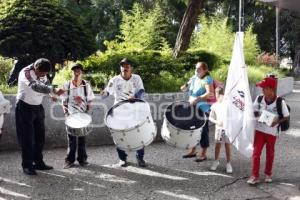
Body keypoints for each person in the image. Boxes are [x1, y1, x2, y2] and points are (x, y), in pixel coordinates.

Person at [15, 58, 65, 175]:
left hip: (38, 107)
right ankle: (27, 165)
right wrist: (53, 90)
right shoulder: (25, 72)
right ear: (35, 68)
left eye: (45, 73)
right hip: (24, 106)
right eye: (40, 73)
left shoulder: (44, 73)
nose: (42, 75)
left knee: (40, 137)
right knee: (26, 138)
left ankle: (38, 162)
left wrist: (51, 94)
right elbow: (35, 86)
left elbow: (45, 84)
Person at [100, 58, 146, 167]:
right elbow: (107, 92)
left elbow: (141, 91)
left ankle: (140, 158)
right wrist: (104, 94)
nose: (124, 68)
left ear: (131, 68)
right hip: (118, 111)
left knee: (138, 133)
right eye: (122, 66)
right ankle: (122, 158)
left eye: (127, 66)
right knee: (118, 135)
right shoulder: (114, 80)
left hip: (134, 109)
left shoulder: (136, 78)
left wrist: (135, 97)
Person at [247, 77, 289, 185]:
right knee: (256, 153)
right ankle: (255, 176)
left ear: (271, 89)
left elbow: (286, 116)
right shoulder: (259, 98)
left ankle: (268, 174)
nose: (262, 90)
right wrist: (259, 114)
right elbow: (253, 111)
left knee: (270, 153)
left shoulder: (280, 101)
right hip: (259, 130)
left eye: (264, 88)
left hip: (272, 132)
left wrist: (276, 122)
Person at [62, 63, 95, 169]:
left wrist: (88, 114)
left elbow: (90, 100)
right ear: (72, 73)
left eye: (78, 71)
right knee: (71, 140)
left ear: (82, 73)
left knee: (82, 139)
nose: (76, 73)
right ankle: (69, 160)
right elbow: (63, 101)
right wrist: (66, 114)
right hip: (71, 116)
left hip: (83, 116)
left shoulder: (86, 85)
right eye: (74, 71)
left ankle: (82, 159)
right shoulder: (67, 85)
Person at [181, 62, 213, 162]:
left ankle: (203, 154)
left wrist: (198, 99)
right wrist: (185, 85)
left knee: (203, 131)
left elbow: (210, 93)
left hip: (203, 109)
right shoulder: (194, 78)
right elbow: (183, 88)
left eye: (199, 69)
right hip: (192, 107)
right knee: (193, 129)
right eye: (196, 68)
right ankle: (193, 151)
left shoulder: (207, 79)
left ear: (205, 70)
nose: (197, 70)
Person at [209, 87, 233, 173]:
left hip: (227, 128)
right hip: (218, 128)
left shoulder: (227, 104)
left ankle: (228, 163)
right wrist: (216, 121)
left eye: (219, 94)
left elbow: (232, 115)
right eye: (216, 94)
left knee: (227, 145)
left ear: (223, 94)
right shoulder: (214, 105)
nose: (217, 96)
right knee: (217, 145)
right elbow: (210, 117)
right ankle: (216, 161)